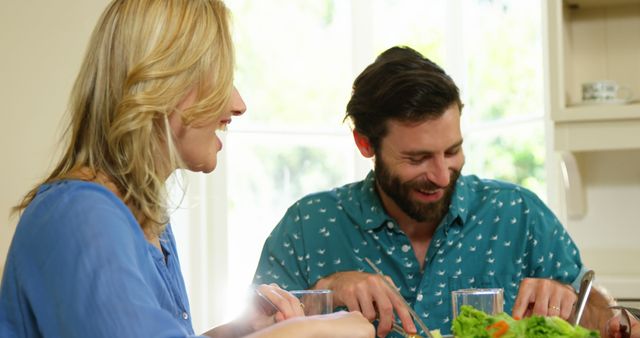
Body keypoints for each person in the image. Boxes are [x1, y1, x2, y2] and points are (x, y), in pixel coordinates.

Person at [0, 1, 374, 338]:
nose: (238, 103)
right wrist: (312, 333)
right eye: (221, 77)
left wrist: (240, 331)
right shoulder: (81, 217)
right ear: (165, 82)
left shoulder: (147, 223)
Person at [252, 45, 614, 337]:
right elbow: (248, 329)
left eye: (452, 151)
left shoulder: (519, 214)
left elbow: (608, 317)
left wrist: (573, 302)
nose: (441, 175)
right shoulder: (308, 224)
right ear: (365, 143)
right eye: (418, 158)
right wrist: (324, 291)